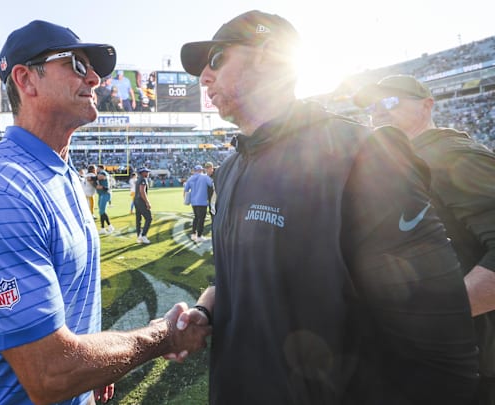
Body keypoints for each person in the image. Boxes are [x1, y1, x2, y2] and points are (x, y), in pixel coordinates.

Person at [175, 10, 479, 404]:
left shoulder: (361, 154)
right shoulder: (230, 168)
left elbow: (440, 341)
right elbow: (236, 275)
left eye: (216, 59)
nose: (204, 77)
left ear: (267, 56)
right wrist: (205, 310)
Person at [0, 20, 210, 405]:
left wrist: (96, 365)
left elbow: (65, 311)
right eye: (75, 64)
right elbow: (49, 372)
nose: (94, 79)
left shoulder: (58, 172)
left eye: (94, 69)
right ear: (25, 79)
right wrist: (162, 335)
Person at [354, 74, 495, 405]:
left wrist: (432, 319)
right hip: (426, 358)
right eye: (372, 106)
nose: (379, 112)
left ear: (427, 105)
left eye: (389, 101)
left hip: (471, 363)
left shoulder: (452, 156)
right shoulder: (403, 162)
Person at [183, 164, 213, 243]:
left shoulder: (190, 178)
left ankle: (193, 234)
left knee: (196, 217)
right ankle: (199, 236)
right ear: (201, 170)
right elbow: (211, 184)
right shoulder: (204, 177)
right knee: (201, 219)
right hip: (202, 201)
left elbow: (186, 190)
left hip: (194, 202)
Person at [134, 167, 153, 244]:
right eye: (146, 172)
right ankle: (143, 235)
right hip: (141, 201)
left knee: (138, 219)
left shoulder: (138, 179)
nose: (148, 173)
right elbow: (142, 191)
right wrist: (147, 202)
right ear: (142, 173)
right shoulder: (143, 180)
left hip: (136, 200)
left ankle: (139, 236)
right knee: (149, 218)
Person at [96, 164, 115, 234]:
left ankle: (110, 226)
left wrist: (91, 176)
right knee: (101, 212)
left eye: (97, 168)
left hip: (105, 194)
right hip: (102, 194)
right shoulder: (100, 173)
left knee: (102, 211)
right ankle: (103, 228)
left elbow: (100, 177)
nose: (96, 169)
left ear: (100, 168)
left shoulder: (103, 173)